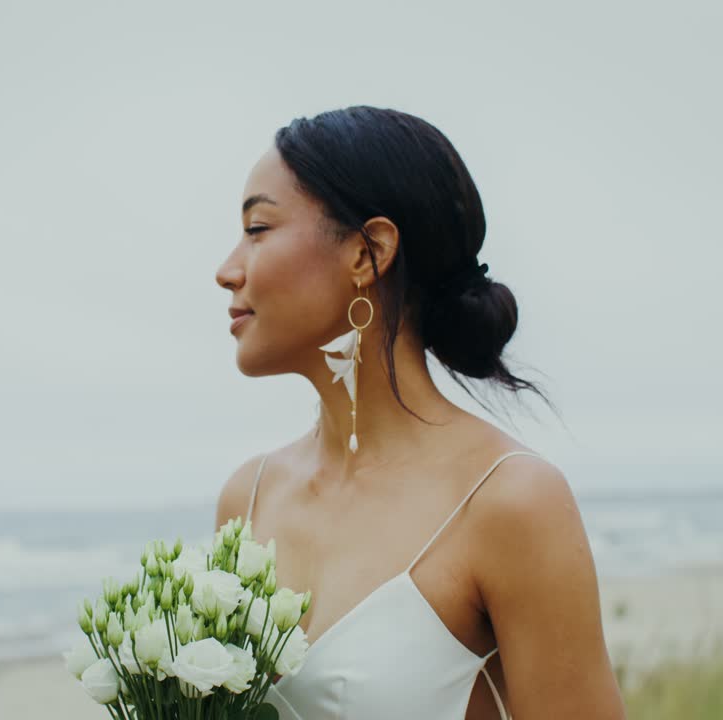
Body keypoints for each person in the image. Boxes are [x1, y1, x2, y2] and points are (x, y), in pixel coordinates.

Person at [213, 106, 625, 719]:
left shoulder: (510, 502)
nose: (227, 271)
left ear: (368, 252)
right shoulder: (248, 499)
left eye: (258, 229)